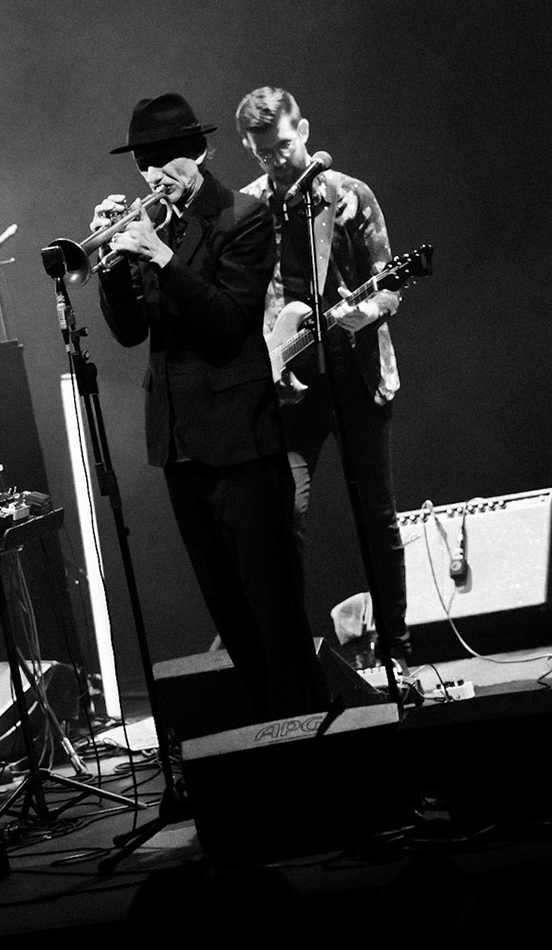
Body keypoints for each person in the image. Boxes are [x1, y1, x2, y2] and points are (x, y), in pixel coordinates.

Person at [92, 92, 324, 721]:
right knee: (228, 610)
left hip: (243, 441)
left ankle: (309, 736)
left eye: (167, 159)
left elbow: (227, 323)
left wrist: (163, 259)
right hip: (181, 445)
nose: (154, 174)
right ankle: (272, 735)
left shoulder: (241, 217)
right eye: (144, 163)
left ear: (200, 151)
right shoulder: (152, 225)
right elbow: (130, 333)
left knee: (273, 611)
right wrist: (115, 264)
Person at [234, 86, 410, 671]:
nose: (276, 160)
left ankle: (398, 653)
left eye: (282, 145)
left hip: (354, 376)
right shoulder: (249, 210)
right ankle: (295, 664)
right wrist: (270, 356)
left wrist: (366, 311)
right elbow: (248, 303)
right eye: (262, 153)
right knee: (286, 520)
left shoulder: (348, 196)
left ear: (303, 129)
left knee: (376, 518)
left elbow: (389, 284)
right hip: (287, 390)